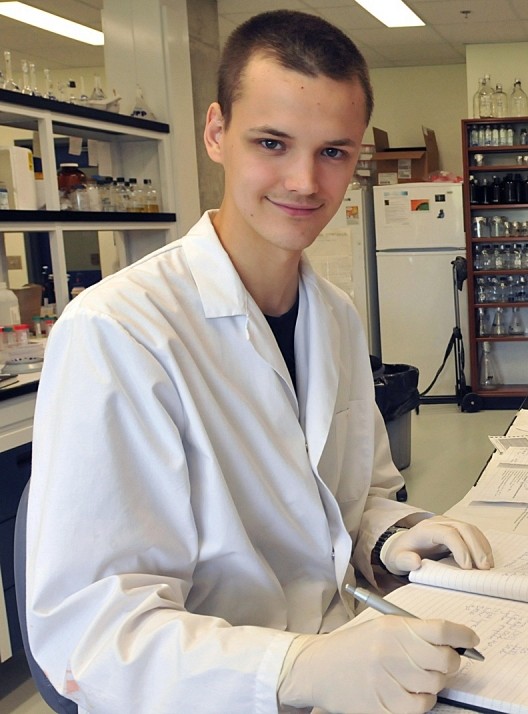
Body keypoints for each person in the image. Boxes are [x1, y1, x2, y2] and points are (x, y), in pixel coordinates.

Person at [26, 10, 493, 713]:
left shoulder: (333, 313)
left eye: (333, 151)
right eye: (271, 143)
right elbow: (89, 636)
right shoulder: (119, 333)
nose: (304, 181)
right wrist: (299, 667)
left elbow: (353, 500)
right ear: (216, 132)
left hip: (344, 670)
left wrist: (395, 534)